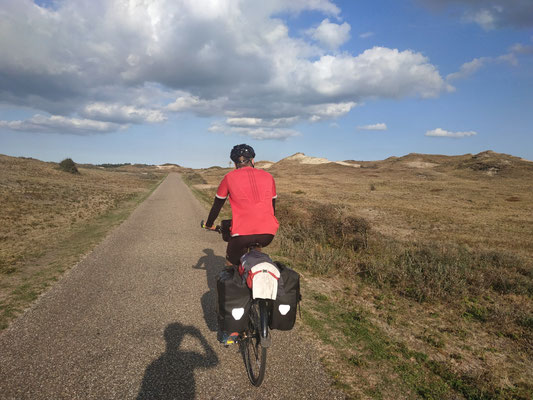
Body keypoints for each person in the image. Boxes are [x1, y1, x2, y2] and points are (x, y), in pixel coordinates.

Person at [203, 144, 279, 267]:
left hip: (242, 234)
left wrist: (209, 224)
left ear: (234, 164)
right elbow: (272, 206)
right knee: (256, 254)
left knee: (231, 264)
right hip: (268, 233)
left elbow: (217, 206)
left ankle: (233, 276)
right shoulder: (269, 177)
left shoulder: (229, 177)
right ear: (253, 160)